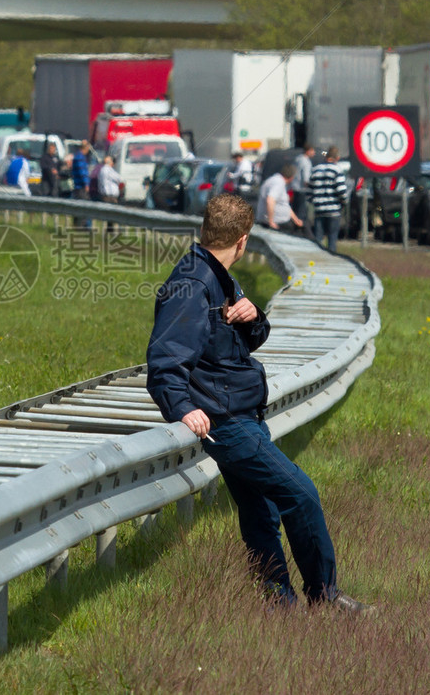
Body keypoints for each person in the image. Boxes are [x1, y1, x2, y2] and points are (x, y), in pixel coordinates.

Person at [146, 192, 373, 613]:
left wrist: (255, 316)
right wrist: (182, 407)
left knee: (261, 510)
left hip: (242, 411)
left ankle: (277, 604)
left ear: (207, 230)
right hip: (225, 420)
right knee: (300, 494)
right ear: (243, 241)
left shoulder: (217, 275)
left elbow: (233, 343)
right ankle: (325, 599)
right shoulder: (193, 284)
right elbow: (164, 361)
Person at [309, 146, 349, 253]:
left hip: (319, 210)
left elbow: (309, 191)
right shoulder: (337, 170)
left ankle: (317, 260)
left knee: (318, 239)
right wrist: (344, 202)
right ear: (337, 158)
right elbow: (341, 191)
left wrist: (313, 202)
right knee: (332, 239)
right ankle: (331, 259)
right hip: (333, 210)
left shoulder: (315, 169)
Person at [255, 163, 303, 234]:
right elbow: (270, 200)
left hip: (277, 222)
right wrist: (271, 221)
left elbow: (284, 205)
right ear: (292, 177)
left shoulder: (275, 180)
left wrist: (296, 220)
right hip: (277, 224)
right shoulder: (278, 183)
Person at [292, 144, 316, 226]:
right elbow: (306, 178)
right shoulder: (306, 161)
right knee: (302, 212)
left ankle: (295, 226)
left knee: (295, 209)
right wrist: (312, 187)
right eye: (313, 151)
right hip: (302, 189)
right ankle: (301, 228)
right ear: (308, 151)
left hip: (294, 188)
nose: (314, 153)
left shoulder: (298, 159)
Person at [71, 140, 92, 227]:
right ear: (86, 148)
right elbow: (82, 172)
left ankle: (77, 225)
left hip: (78, 186)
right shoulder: (80, 157)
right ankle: (83, 226)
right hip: (81, 187)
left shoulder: (78, 156)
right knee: (84, 207)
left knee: (78, 207)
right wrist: (86, 184)